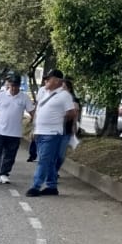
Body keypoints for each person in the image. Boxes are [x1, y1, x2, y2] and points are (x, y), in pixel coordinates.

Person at [28, 68, 80, 196]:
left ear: (57, 81)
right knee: (49, 161)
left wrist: (58, 118)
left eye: (48, 78)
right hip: (40, 132)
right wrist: (34, 129)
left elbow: (72, 112)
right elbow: (38, 112)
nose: (45, 80)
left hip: (52, 133)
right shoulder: (44, 92)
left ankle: (36, 186)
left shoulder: (64, 95)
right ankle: (52, 186)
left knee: (44, 160)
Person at [0, 74, 34, 184]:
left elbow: (32, 112)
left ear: (19, 86)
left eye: (16, 86)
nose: (13, 88)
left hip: (15, 132)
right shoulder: (1, 96)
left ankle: (4, 173)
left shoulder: (24, 97)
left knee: (10, 154)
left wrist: (33, 126)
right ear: (9, 85)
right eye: (11, 85)